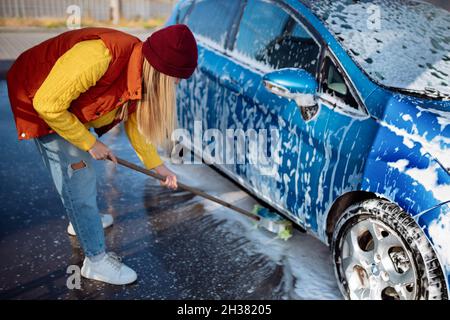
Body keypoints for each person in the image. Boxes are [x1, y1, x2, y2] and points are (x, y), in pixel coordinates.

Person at [6, 24, 198, 285]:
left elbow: (133, 119)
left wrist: (157, 166)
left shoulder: (140, 66)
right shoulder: (102, 56)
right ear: (162, 68)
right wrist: (90, 143)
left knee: (80, 179)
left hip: (66, 107)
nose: (176, 84)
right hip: (38, 97)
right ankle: (95, 262)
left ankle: (83, 223)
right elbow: (47, 104)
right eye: (176, 77)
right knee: (80, 176)